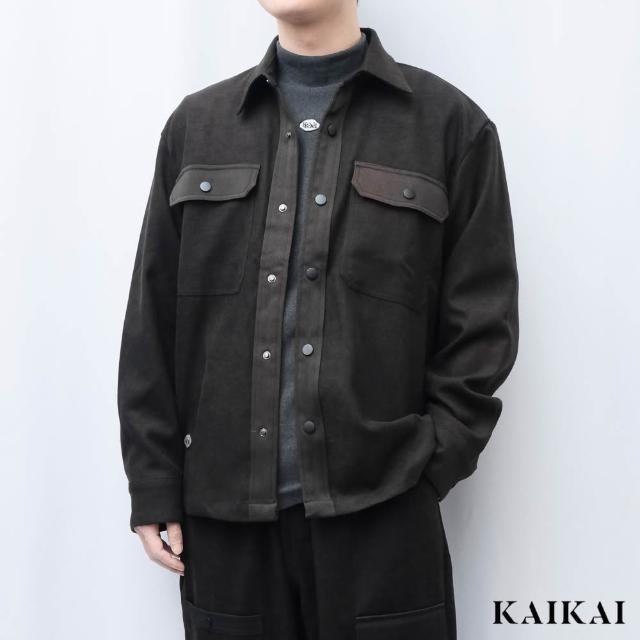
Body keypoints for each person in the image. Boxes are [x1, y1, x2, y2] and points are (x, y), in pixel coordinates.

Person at [117, 0, 519, 638]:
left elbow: (483, 325)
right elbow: (151, 321)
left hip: (382, 519)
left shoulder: (450, 126)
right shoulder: (196, 127)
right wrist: (153, 481)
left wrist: (425, 467)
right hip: (225, 530)